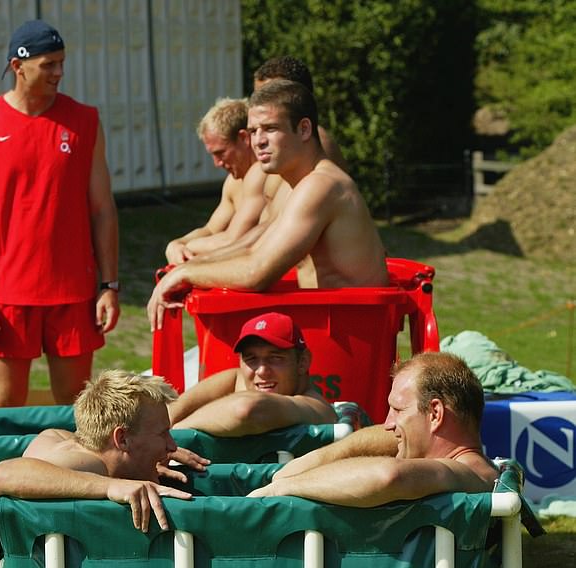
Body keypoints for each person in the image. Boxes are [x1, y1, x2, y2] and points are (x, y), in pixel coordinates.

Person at [0, 20, 120, 407]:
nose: (59, 73)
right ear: (18, 66)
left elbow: (103, 210)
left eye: (61, 63)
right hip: (7, 292)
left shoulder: (84, 121)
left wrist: (109, 287)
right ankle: (4, 471)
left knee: (78, 408)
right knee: (5, 406)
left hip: (73, 290)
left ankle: (73, 471)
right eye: (49, 65)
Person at [148, 79, 388, 330]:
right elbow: (253, 250)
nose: (258, 141)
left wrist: (184, 274)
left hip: (351, 341)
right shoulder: (303, 184)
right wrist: (191, 264)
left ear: (305, 129)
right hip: (335, 332)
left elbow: (257, 273)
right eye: (253, 131)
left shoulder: (321, 185)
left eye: (270, 128)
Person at [247, 352, 499, 506]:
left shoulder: (466, 472)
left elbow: (388, 476)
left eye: (398, 410)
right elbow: (386, 441)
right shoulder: (464, 465)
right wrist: (334, 452)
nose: (388, 423)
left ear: (435, 414)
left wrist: (282, 488)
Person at [0, 370, 210, 532]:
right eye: (163, 434)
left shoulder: (66, 440)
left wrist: (150, 455)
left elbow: (56, 433)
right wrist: (111, 485)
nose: (172, 446)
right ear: (122, 439)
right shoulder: (92, 464)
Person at [169, 312, 336, 435]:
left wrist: (174, 434)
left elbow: (248, 409)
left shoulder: (316, 407)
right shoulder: (238, 378)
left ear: (303, 362)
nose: (262, 371)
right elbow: (169, 413)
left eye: (275, 358)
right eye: (251, 359)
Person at [165, 98, 281, 264]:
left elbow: (234, 240)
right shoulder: (233, 182)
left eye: (221, 153)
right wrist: (177, 244)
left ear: (243, 138)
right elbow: (211, 229)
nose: (217, 163)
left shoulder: (262, 173)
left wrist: (187, 247)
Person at [253, 56, 349, 172]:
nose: (260, 103)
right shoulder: (274, 149)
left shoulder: (319, 146)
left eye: (271, 94)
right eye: (259, 95)